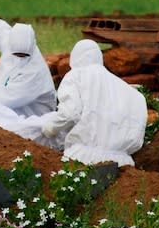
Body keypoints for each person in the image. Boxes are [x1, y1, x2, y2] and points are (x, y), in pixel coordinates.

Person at [40, 39, 147, 167]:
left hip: (83, 158)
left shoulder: (76, 76)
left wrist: (49, 128)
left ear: (76, 57)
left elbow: (69, 114)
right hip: (123, 163)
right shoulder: (132, 93)